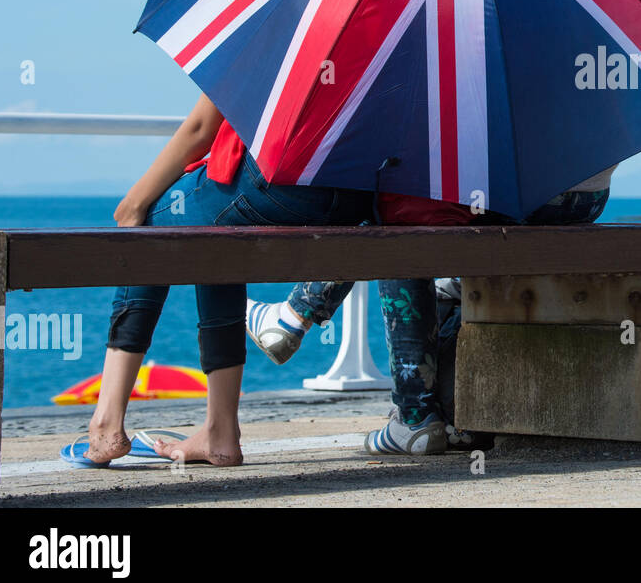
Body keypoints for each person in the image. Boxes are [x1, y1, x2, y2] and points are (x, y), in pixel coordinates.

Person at [82, 94, 371, 467]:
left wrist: (135, 201)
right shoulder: (397, 41)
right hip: (358, 195)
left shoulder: (281, 33)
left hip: (281, 180)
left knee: (150, 221)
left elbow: (201, 128)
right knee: (215, 231)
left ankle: (106, 425)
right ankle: (220, 433)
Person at [245, 165, 616, 456]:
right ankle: (455, 414)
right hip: (587, 196)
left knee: (391, 214)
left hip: (512, 189)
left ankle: (412, 416)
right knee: (411, 218)